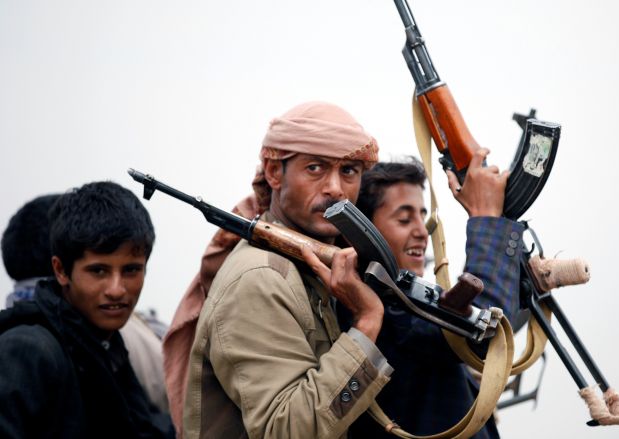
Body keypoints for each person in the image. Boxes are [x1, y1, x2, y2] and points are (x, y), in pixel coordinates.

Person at [182, 101, 392, 438]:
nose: (336, 188)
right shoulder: (261, 277)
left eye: (349, 171)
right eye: (315, 168)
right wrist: (367, 323)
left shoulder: (312, 268)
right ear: (274, 172)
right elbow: (288, 430)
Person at [345, 153, 524, 437]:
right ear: (365, 233)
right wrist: (488, 221)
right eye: (404, 220)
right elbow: (484, 326)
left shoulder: (400, 304)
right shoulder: (386, 309)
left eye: (422, 216)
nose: (421, 232)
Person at [0, 182, 173, 438]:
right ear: (60, 270)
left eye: (131, 270)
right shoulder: (28, 350)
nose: (116, 289)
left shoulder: (105, 344)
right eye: (98, 271)